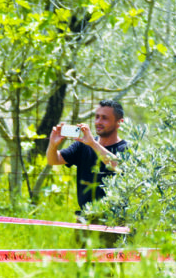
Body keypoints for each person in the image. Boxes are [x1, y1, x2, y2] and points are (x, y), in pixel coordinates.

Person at [45, 99, 130, 245]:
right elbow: (54, 160)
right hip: (85, 221)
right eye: (97, 117)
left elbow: (118, 165)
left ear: (119, 122)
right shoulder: (82, 145)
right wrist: (53, 145)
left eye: (104, 118)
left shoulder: (125, 148)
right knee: (79, 261)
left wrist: (92, 143)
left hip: (114, 223)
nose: (98, 122)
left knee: (111, 261)